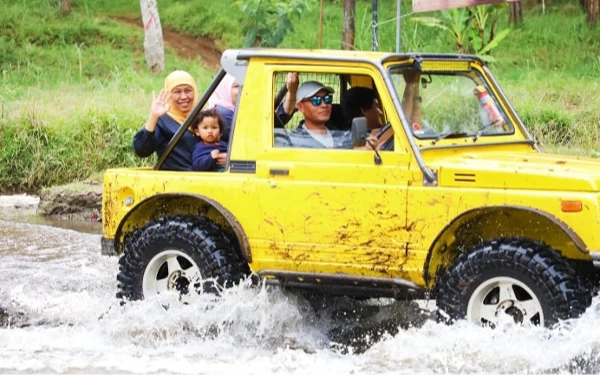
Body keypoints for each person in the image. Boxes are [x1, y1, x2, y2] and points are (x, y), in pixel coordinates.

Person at [133, 70, 199, 171]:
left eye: (188, 90)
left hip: (205, 180)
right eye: (177, 92)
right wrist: (154, 116)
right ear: (168, 95)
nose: (184, 97)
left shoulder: (202, 117)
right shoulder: (163, 120)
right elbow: (141, 150)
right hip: (175, 181)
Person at [284, 81, 350, 149]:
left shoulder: (342, 135)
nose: (324, 105)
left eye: (327, 99)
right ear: (300, 107)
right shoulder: (293, 141)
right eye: (316, 100)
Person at [208, 73, 239, 144]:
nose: (242, 89)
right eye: (236, 86)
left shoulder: (230, 109)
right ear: (224, 88)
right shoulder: (223, 114)